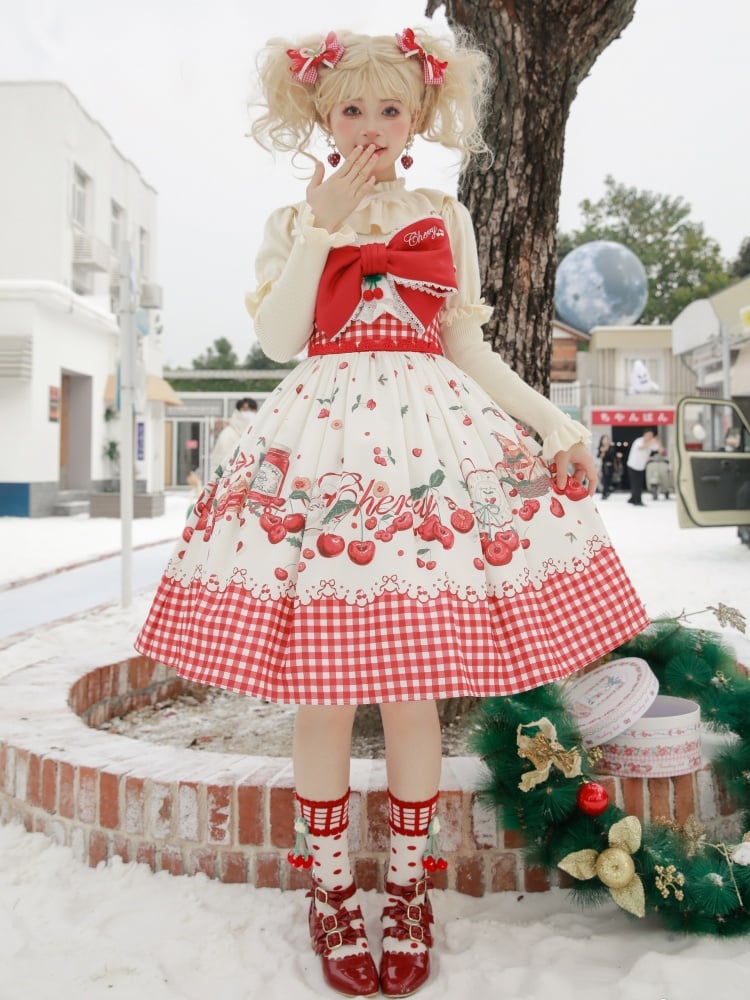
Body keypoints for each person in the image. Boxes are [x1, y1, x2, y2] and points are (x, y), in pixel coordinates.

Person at [136, 27, 649, 998]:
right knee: (325, 692)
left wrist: (547, 417)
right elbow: (283, 334)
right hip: (324, 455)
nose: (371, 126)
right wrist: (323, 226)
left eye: (390, 108)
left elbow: (468, 349)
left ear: (418, 118)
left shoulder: (441, 214)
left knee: (415, 691)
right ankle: (331, 887)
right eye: (351, 109)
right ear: (320, 118)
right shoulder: (297, 219)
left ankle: (407, 883)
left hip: (427, 461)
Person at [209, 397, 257, 472]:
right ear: (238, 411)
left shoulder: (259, 433)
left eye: (252, 410)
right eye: (245, 410)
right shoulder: (227, 434)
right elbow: (219, 461)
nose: (249, 413)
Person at [626, 428, 664, 506]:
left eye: (651, 436)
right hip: (633, 465)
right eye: (649, 435)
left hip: (641, 466)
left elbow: (661, 450)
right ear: (644, 435)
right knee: (635, 484)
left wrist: (658, 442)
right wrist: (651, 442)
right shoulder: (639, 441)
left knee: (638, 483)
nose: (650, 437)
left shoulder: (651, 443)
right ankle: (637, 500)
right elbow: (641, 448)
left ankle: (633, 498)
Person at [596, 434, 622, 499]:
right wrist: (603, 451)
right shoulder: (601, 448)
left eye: (607, 439)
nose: (605, 440)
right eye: (604, 439)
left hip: (612, 465)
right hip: (604, 466)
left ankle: (607, 491)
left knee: (609, 480)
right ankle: (604, 493)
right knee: (605, 479)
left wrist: (617, 455)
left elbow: (614, 456)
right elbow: (599, 457)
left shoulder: (611, 447)